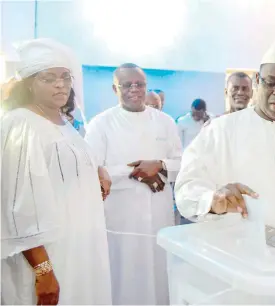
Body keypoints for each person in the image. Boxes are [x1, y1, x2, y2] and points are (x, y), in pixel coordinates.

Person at [175, 41, 275, 234]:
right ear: (256, 80)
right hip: (241, 255)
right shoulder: (221, 131)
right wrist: (211, 199)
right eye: (270, 82)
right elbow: (187, 187)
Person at [1, 38, 112, 305]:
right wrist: (43, 272)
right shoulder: (21, 124)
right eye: (48, 78)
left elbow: (63, 161)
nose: (60, 84)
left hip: (80, 247)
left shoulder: (62, 121)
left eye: (65, 77)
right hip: (50, 257)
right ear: (29, 82)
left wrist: (97, 171)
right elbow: (18, 208)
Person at [85, 63, 182, 305]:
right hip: (120, 215)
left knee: (159, 269)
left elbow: (181, 162)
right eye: (127, 85)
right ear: (114, 88)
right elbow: (93, 170)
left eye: (140, 84)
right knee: (124, 274)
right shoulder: (101, 124)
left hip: (159, 212)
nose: (134, 89)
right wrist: (140, 172)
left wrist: (159, 164)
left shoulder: (165, 121)